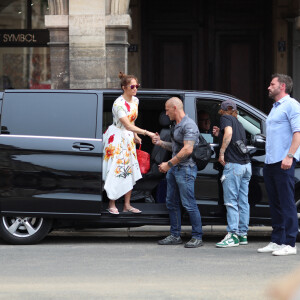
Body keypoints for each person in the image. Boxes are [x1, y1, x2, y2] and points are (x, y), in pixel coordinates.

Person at [257, 74, 300, 256]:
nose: (268, 87)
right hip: (270, 162)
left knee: (287, 203)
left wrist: (289, 156)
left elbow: (298, 133)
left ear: (282, 86)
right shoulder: (275, 108)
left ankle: (290, 243)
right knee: (274, 203)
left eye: (271, 84)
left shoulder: (291, 105)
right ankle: (277, 240)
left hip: (284, 161)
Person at [152, 97, 203, 248]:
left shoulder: (189, 125)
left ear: (175, 108)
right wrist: (160, 142)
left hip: (186, 169)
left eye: (167, 110)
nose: (166, 113)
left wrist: (168, 164)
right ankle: (175, 235)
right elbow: (176, 149)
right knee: (171, 203)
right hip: (175, 169)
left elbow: (188, 149)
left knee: (189, 204)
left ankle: (197, 237)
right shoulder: (177, 125)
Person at [102, 72, 155, 215]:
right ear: (124, 87)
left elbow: (132, 121)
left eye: (137, 86)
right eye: (132, 86)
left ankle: (127, 204)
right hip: (117, 137)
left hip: (128, 137)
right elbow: (127, 125)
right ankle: (111, 203)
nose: (135, 88)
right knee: (115, 169)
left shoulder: (135, 101)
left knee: (129, 169)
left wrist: (136, 135)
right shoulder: (118, 104)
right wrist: (147, 133)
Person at [212, 99, 252, 248]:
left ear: (222, 110)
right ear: (234, 110)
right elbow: (231, 137)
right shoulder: (239, 123)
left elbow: (228, 133)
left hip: (234, 166)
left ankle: (232, 235)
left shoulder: (225, 118)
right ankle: (242, 234)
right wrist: (218, 135)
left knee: (231, 201)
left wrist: (221, 153)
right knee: (243, 201)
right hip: (246, 166)